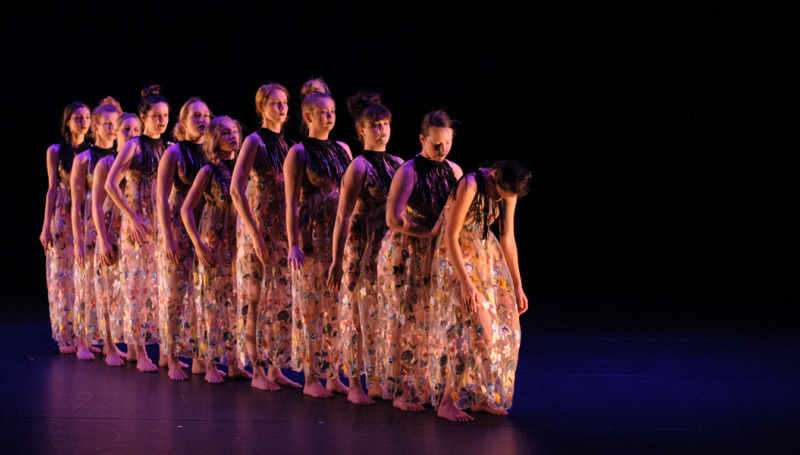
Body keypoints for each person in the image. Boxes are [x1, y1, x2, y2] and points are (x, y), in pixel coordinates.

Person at [430, 160, 531, 422]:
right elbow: (450, 235)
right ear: (493, 176)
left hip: (486, 256)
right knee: (473, 329)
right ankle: (446, 401)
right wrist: (466, 283)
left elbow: (508, 237)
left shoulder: (508, 189)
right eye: (499, 194)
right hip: (456, 259)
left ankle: (481, 396)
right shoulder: (470, 184)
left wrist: (518, 285)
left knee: (509, 328)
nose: (499, 199)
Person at [376, 110, 463, 411]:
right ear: (422, 139)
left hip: (437, 252)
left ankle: (426, 385)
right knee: (406, 320)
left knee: (432, 319)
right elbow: (392, 218)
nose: (442, 150)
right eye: (436, 144)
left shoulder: (454, 170)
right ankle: (403, 391)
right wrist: (428, 233)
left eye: (447, 143)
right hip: (408, 250)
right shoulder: (409, 170)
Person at [326, 92, 402, 405]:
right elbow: (343, 216)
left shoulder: (399, 163)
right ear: (362, 131)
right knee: (356, 316)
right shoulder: (358, 167)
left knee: (380, 314)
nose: (382, 130)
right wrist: (336, 260)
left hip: (387, 250)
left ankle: (377, 379)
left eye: (385, 124)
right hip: (361, 246)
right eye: (375, 125)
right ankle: (354, 384)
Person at [284, 78, 352, 398]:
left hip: (338, 233)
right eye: (323, 112)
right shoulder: (298, 152)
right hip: (312, 232)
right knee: (311, 305)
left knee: (336, 305)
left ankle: (333, 373)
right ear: (308, 116)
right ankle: (312, 377)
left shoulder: (344, 149)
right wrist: (294, 243)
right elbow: (291, 203)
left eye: (333, 112)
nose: (329, 117)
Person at [230, 83, 300, 391]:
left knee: (279, 300)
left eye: (285, 103)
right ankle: (256, 369)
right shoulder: (254, 140)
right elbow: (236, 188)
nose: (282, 108)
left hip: (282, 230)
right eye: (275, 103)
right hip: (258, 227)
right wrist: (253, 232)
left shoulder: (290, 144)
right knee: (255, 299)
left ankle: (274, 368)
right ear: (262, 107)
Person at [181, 116, 252, 383]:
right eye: (225, 132)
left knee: (236, 302)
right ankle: (208, 363)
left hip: (240, 243)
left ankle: (234, 362)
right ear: (214, 138)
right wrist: (197, 243)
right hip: (215, 241)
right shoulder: (209, 171)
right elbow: (186, 208)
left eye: (235, 131)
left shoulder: (246, 169)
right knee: (211, 302)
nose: (233, 136)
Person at [105, 85, 170, 372]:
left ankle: (165, 351)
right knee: (136, 287)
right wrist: (130, 216)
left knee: (160, 288)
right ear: (144, 117)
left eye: (165, 115)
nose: (162, 120)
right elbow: (110, 183)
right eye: (156, 116)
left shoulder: (169, 148)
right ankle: (140, 350)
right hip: (138, 224)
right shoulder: (133, 145)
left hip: (161, 224)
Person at [155, 96, 212, 380]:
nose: (202, 120)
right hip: (179, 224)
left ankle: (201, 356)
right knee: (176, 294)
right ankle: (173, 358)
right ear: (183, 123)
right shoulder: (174, 152)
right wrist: (168, 238)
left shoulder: (213, 152)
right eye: (196, 116)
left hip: (207, 225)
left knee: (203, 296)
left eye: (206, 115)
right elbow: (162, 199)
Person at [71, 97, 122, 361]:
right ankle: (83, 341)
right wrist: (78, 241)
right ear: (96, 127)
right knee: (87, 285)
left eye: (116, 124)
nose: (112, 129)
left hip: (116, 225)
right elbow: (76, 204)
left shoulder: (122, 156)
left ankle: (110, 341)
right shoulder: (83, 159)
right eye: (107, 124)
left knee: (111, 287)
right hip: (92, 225)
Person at [41, 102, 92, 353]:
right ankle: (65, 334)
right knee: (62, 276)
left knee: (84, 275)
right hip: (62, 213)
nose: (83, 122)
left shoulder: (94, 151)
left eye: (87, 117)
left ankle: (86, 334)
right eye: (78, 118)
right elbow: (51, 189)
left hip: (86, 212)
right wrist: (45, 226)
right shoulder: (56, 151)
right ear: (68, 122)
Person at [92, 113, 142, 366]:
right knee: (108, 290)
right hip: (112, 228)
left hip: (134, 234)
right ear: (115, 134)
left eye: (135, 129)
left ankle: (134, 346)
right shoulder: (106, 163)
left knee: (132, 290)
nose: (131, 134)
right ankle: (109, 346)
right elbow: (97, 205)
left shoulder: (140, 161)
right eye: (126, 129)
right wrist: (102, 240)